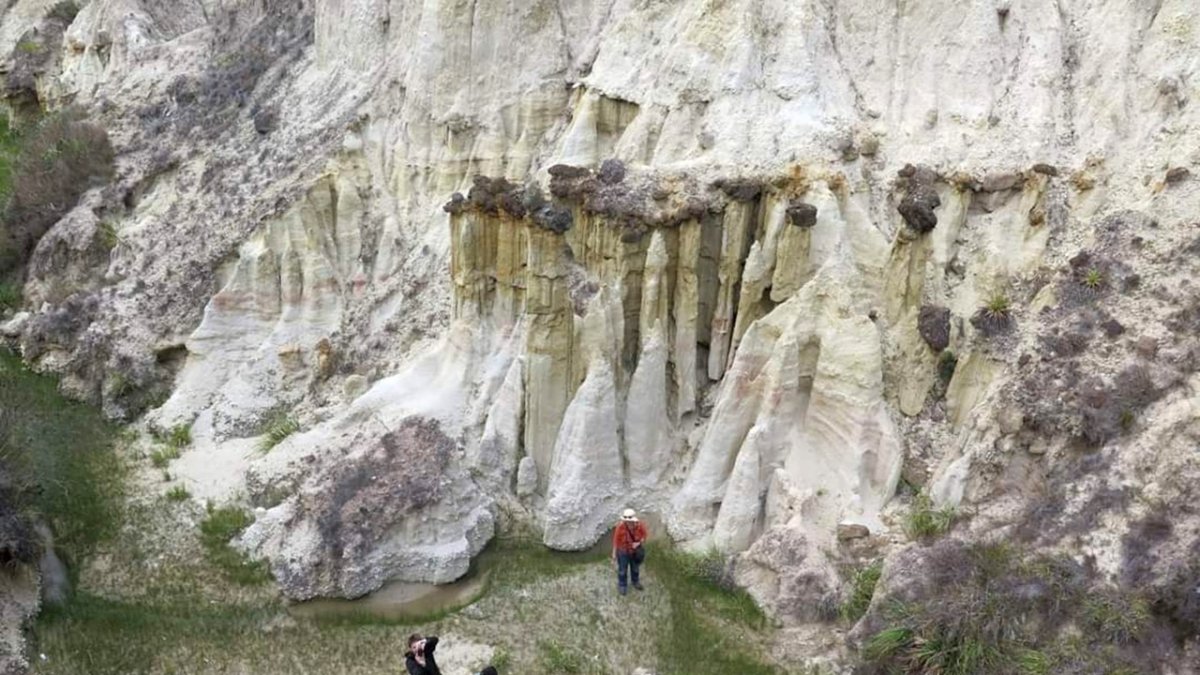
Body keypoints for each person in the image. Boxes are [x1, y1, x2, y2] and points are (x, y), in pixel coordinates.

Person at [612, 508, 648, 595]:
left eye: (629, 520)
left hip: (634, 551)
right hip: (623, 552)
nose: (627, 522)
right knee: (622, 570)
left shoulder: (639, 525)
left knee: (635, 568)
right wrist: (614, 555)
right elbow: (615, 541)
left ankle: (635, 582)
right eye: (626, 520)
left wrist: (638, 543)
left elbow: (645, 535)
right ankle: (622, 585)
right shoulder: (620, 527)